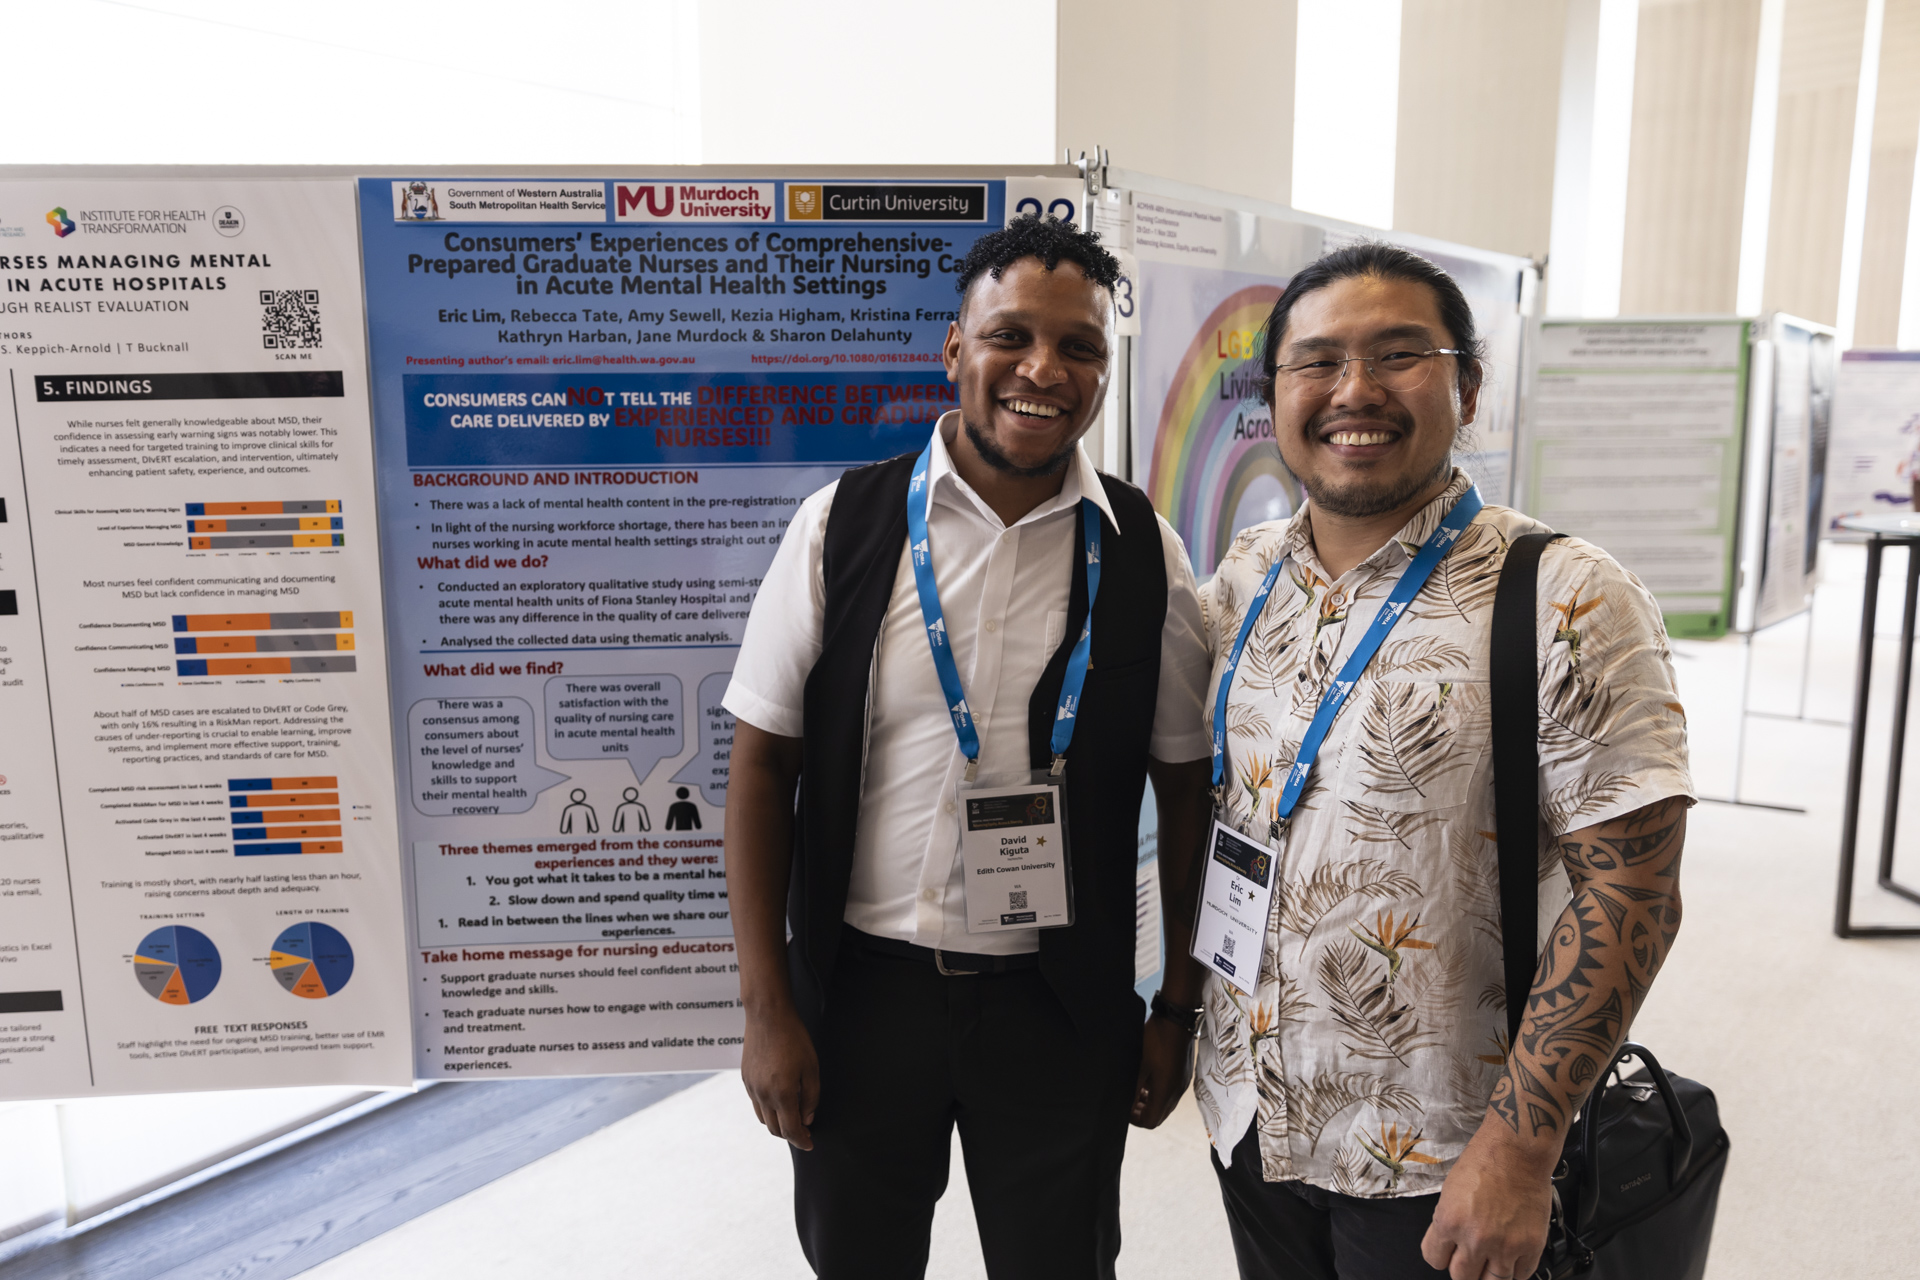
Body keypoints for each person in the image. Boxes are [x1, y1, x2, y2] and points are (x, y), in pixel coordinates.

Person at [722, 215, 1215, 1280]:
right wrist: (768, 1010)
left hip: (1061, 1004)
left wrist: (1178, 1002)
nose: (1044, 368)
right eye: (1011, 335)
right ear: (956, 351)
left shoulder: (1144, 555)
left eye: (1080, 346)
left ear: (1103, 368)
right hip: (863, 998)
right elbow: (762, 766)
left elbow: (1187, 791)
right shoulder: (840, 527)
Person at [1189, 242, 1692, 1280]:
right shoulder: (1243, 580)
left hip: (1445, 1149)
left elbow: (1632, 886)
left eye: (1398, 355)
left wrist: (1521, 1145)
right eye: (1317, 360)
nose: (1354, 391)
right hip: (1254, 1111)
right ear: (1273, 394)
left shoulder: (1568, 597)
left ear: (1468, 384)